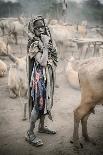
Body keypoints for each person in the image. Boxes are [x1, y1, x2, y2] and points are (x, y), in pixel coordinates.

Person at [25, 16, 58, 146]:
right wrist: (44, 45)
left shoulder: (45, 39)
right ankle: (30, 132)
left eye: (42, 26)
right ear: (33, 29)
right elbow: (43, 62)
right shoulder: (33, 43)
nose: (40, 29)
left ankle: (42, 127)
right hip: (39, 78)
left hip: (47, 77)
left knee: (47, 103)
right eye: (37, 27)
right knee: (38, 105)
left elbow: (54, 54)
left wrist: (48, 43)